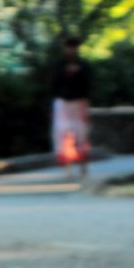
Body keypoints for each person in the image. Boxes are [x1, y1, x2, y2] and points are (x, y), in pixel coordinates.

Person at [51, 36, 93, 178]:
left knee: (81, 135)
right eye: (69, 47)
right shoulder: (59, 66)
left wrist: (77, 74)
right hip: (63, 103)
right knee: (63, 135)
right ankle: (67, 169)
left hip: (79, 102)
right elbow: (54, 83)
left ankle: (83, 167)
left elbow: (89, 84)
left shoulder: (83, 65)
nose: (71, 50)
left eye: (73, 47)